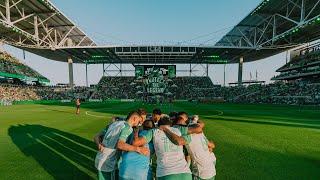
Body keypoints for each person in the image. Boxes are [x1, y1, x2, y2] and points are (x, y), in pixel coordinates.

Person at [93, 111, 149, 180]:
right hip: (108, 163)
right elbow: (120, 144)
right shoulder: (128, 128)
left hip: (100, 158)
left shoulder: (114, 123)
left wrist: (99, 144)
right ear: (134, 118)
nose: (139, 123)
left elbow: (96, 136)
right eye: (139, 121)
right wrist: (138, 149)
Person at [133, 115, 192, 180]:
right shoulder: (178, 130)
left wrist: (136, 131)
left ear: (158, 124)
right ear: (170, 124)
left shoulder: (154, 131)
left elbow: (136, 143)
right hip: (185, 173)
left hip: (166, 173)